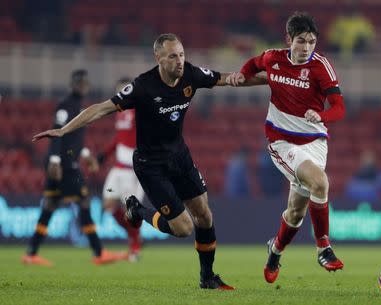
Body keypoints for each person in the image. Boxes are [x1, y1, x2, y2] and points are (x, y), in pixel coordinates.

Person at [32, 33, 265, 289]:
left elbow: (228, 78)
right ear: (159, 58)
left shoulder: (190, 74)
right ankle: (138, 210)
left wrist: (272, 81)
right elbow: (100, 108)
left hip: (180, 157)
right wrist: (64, 130)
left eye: (182, 54)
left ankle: (207, 277)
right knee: (183, 229)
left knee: (205, 216)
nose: (180, 61)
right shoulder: (143, 86)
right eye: (173, 56)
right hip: (151, 165)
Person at [228, 12, 346, 283]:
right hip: (282, 142)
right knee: (320, 183)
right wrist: (242, 74)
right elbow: (254, 63)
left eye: (312, 42)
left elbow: (340, 108)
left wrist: (322, 116)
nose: (306, 48)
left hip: (315, 142)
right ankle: (323, 248)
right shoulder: (274, 58)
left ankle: (275, 249)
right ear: (289, 39)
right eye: (301, 41)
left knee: (295, 212)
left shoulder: (321, 66)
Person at [22, 70, 127, 266]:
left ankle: (31, 252)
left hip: (66, 162)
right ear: (74, 84)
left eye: (85, 82)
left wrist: (86, 154)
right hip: (64, 165)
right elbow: (57, 131)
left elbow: (74, 138)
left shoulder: (79, 107)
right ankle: (99, 252)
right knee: (84, 203)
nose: (83, 86)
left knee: (50, 206)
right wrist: (54, 160)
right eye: (80, 83)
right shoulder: (65, 105)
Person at [97, 77, 146, 262]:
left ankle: (134, 248)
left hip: (134, 170)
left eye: (124, 90)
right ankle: (135, 238)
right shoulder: (120, 112)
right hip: (118, 168)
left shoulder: (140, 110)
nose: (121, 95)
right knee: (108, 206)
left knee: (130, 211)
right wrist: (104, 154)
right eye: (118, 91)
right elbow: (120, 137)